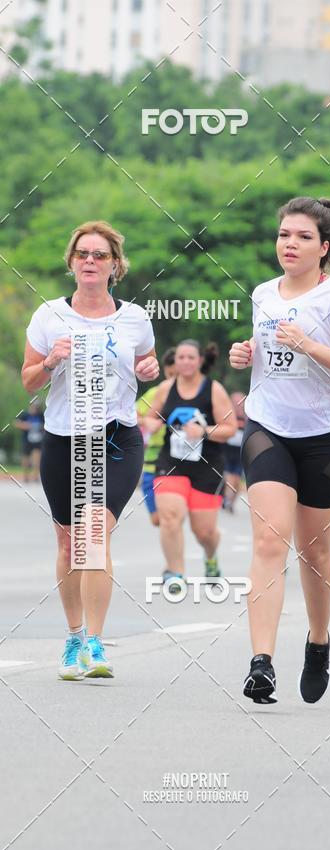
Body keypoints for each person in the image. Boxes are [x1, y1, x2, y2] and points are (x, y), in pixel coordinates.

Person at [229, 195, 330, 705]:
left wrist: (310, 346)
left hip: (326, 438)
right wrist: (244, 353)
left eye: (302, 237)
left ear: (324, 247)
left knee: (314, 552)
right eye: (284, 235)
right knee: (270, 543)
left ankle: (318, 641)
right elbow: (265, 360)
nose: (289, 244)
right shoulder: (263, 293)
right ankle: (261, 663)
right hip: (268, 426)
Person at [21, 220, 158, 680]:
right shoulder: (48, 316)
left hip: (117, 437)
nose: (91, 262)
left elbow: (146, 365)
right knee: (67, 540)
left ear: (115, 265)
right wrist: (49, 360)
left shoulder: (135, 318)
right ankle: (74, 636)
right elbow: (28, 381)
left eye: (100, 255)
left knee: (93, 534)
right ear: (72, 263)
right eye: (83, 254)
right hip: (64, 437)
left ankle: (96, 646)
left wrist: (149, 367)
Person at [145, 339, 236, 585]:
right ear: (175, 361)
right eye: (180, 357)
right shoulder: (166, 388)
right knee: (170, 516)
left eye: (190, 357)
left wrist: (204, 431)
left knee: (204, 532)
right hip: (172, 463)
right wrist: (150, 425)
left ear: (200, 361)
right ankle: (175, 572)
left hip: (207, 466)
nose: (185, 362)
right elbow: (152, 417)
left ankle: (210, 556)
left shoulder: (213, 389)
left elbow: (230, 428)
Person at [136, 347, 177, 526]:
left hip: (181, 461)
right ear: (166, 372)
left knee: (172, 516)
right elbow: (133, 414)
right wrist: (146, 421)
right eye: (171, 374)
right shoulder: (155, 393)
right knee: (157, 519)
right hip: (153, 459)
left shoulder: (199, 393)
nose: (176, 380)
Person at [222, 391, 247, 513]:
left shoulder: (248, 416)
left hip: (240, 452)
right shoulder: (227, 414)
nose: (238, 405)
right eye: (235, 402)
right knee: (228, 476)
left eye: (240, 402)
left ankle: (231, 502)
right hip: (227, 449)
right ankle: (226, 499)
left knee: (236, 479)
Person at [15, 400, 44, 482]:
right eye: (34, 406)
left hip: (38, 440)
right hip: (26, 439)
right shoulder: (24, 414)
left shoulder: (41, 415)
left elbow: (46, 425)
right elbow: (16, 423)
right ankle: (25, 476)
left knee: (37, 458)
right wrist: (27, 426)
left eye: (37, 407)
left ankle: (35, 476)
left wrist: (40, 427)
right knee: (25, 458)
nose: (35, 408)